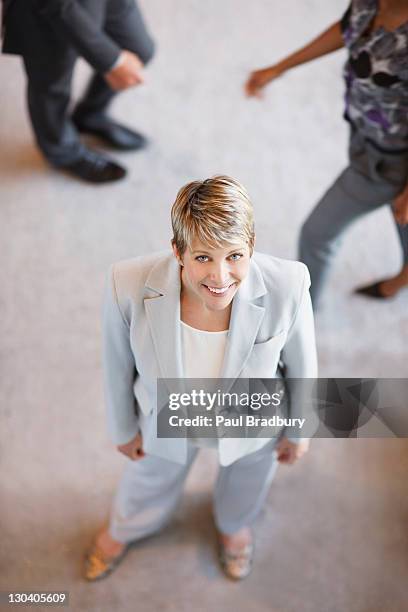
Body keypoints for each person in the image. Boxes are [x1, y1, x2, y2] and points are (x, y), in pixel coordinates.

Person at [84, 175, 317, 582]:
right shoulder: (127, 283)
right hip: (169, 412)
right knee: (149, 477)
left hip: (252, 416)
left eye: (235, 256)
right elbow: (116, 362)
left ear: (252, 246)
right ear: (178, 251)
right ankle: (126, 527)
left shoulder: (290, 285)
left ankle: (234, 527)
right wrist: (122, 427)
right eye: (203, 257)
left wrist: (299, 431)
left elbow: (302, 366)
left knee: (247, 480)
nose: (221, 276)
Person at [245, 0, 408, 307]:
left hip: (392, 160)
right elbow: (348, 28)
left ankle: (300, 314)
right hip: (367, 137)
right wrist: (281, 67)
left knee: (317, 233)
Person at [1, 0, 155, 183]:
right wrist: (113, 62)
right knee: (51, 86)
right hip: (44, 10)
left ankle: (90, 115)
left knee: (140, 49)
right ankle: (62, 152)